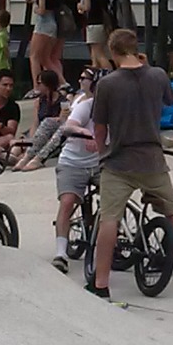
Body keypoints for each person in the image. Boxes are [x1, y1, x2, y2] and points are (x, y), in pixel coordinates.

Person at [87, 27, 173, 298]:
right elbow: (172, 100)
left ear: (113, 52)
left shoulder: (107, 84)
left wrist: (102, 154)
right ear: (137, 49)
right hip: (153, 159)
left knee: (110, 218)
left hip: (120, 161)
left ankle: (101, 283)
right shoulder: (157, 75)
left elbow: (100, 128)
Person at [47, 78, 106, 264]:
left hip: (100, 163)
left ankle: (113, 241)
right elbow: (69, 126)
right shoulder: (86, 107)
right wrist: (87, 134)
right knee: (67, 201)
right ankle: (61, 253)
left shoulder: (119, 109)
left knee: (114, 198)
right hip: (73, 162)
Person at [27, 0, 73, 102]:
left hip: (43, 25)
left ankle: (37, 86)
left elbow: (41, 10)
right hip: (54, 24)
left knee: (34, 56)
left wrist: (33, 6)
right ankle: (62, 82)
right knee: (47, 58)